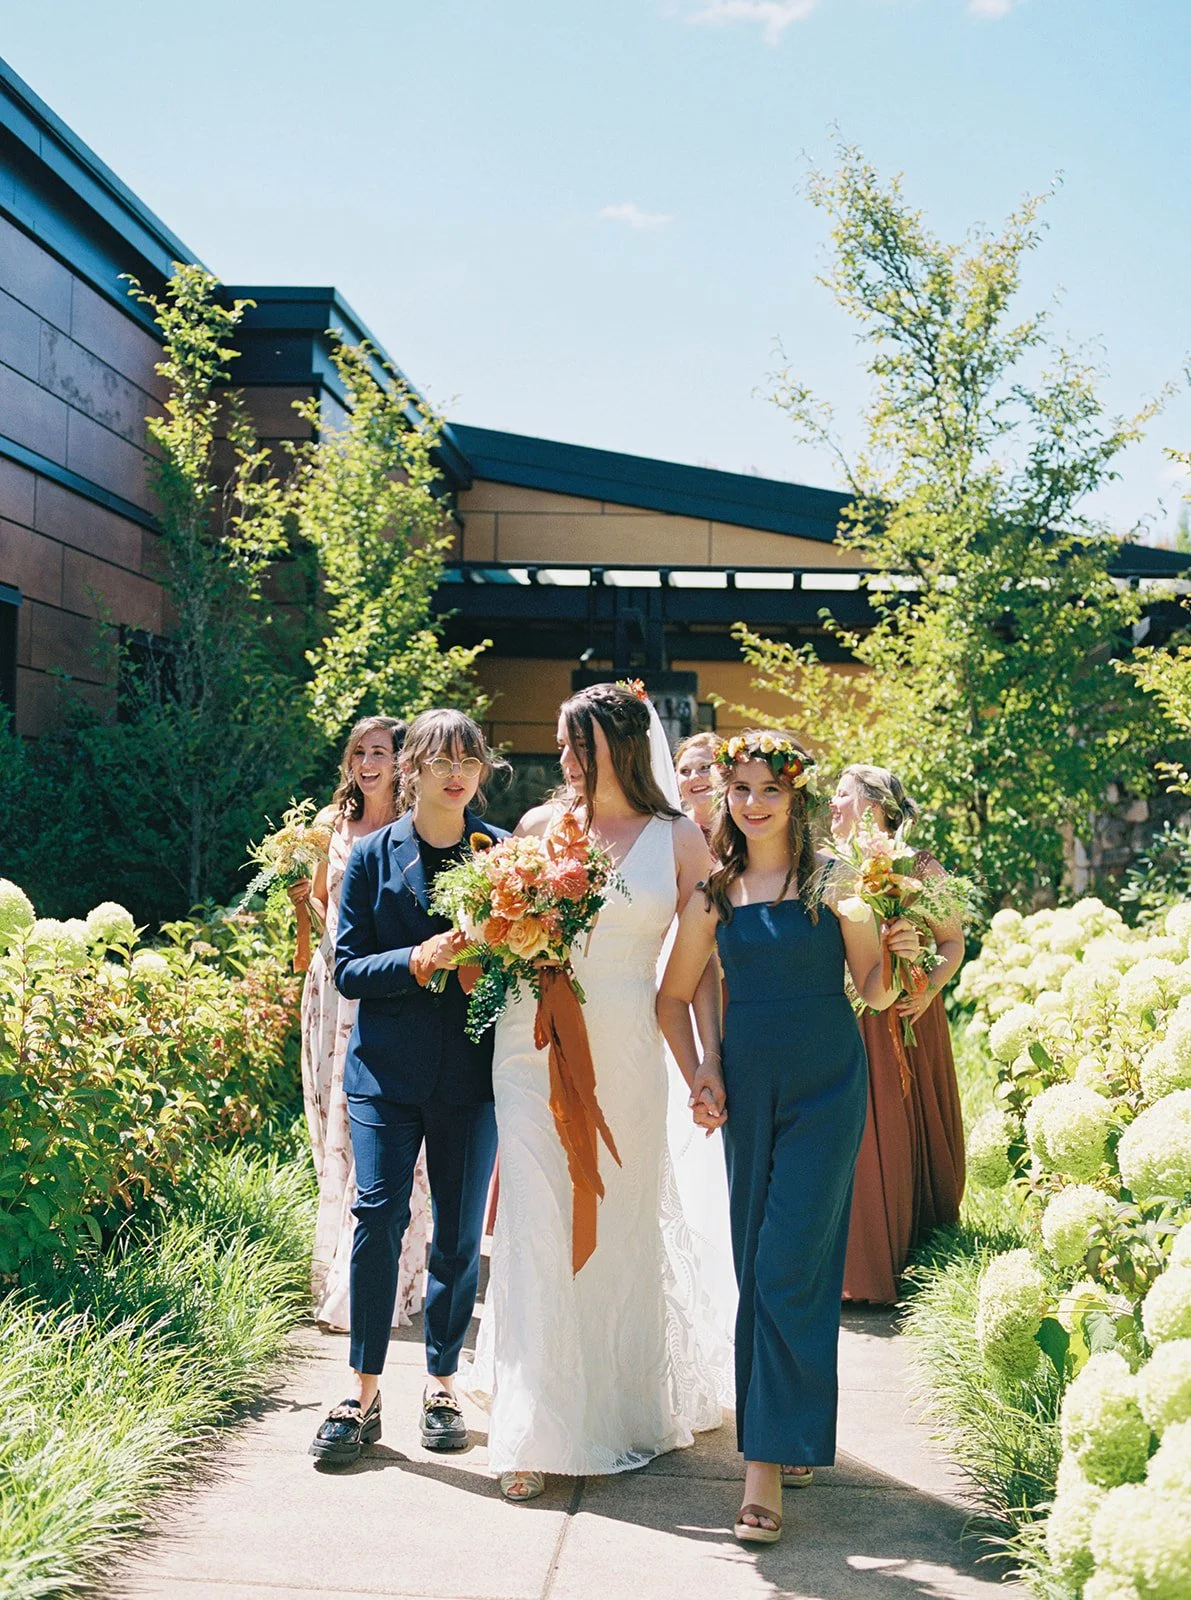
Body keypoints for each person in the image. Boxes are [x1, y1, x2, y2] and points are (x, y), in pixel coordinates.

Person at [462, 682, 726, 1502]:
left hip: (625, 1049)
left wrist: (705, 1066)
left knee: (615, 1223)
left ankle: (613, 1404)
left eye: (579, 745)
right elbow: (491, 932)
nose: (566, 760)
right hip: (531, 1043)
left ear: (618, 744)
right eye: (561, 744)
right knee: (537, 1220)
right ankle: (535, 1427)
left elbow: (703, 971)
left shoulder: (680, 842)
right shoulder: (541, 831)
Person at [658, 732, 920, 1545]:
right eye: (739, 787)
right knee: (760, 1262)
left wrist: (913, 964)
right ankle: (794, 1430)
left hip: (828, 1088)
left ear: (796, 797)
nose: (753, 800)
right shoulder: (714, 894)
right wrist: (701, 1069)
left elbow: (876, 993)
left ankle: (762, 1468)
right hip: (750, 1089)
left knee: (788, 1265)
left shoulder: (837, 885)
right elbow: (670, 997)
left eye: (769, 786)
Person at [309, 709, 508, 1468]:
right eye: (440, 758)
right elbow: (350, 967)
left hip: (470, 1073)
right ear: (411, 768)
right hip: (384, 1071)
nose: (457, 771)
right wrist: (419, 958)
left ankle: (442, 1384)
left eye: (470, 758)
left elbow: (530, 966)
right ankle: (360, 1392)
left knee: (458, 1237)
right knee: (376, 1218)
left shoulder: (501, 856)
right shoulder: (369, 856)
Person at [293, 715, 431, 1333]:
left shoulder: (416, 827)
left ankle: (391, 1276)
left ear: (401, 762)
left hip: (390, 993)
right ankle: (339, 1272)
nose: (367, 762)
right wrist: (306, 906)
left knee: (380, 1128)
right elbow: (322, 902)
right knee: (334, 1129)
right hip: (334, 991)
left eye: (380, 751)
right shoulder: (330, 824)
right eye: (359, 753)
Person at [831, 766, 966, 1304]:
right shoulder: (826, 868)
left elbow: (952, 943)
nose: (833, 803)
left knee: (900, 1127)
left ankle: (910, 1256)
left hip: (908, 1015)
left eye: (843, 794)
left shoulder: (921, 868)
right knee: (854, 1140)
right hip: (846, 1017)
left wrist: (929, 989)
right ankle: (853, 1266)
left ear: (876, 806)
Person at [674, 731, 720, 844]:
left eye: (704, 767)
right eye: (685, 771)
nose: (694, 777)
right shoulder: (671, 830)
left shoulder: (745, 826)